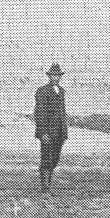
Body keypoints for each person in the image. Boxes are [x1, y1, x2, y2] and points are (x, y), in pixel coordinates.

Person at [34, 64, 67, 194]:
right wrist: (43, 133)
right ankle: (45, 186)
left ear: (60, 77)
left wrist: (64, 132)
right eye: (53, 75)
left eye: (58, 76)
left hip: (59, 132)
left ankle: (47, 179)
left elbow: (62, 113)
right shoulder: (42, 91)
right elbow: (39, 113)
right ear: (49, 76)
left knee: (55, 158)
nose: (56, 78)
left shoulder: (62, 91)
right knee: (46, 157)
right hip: (47, 132)